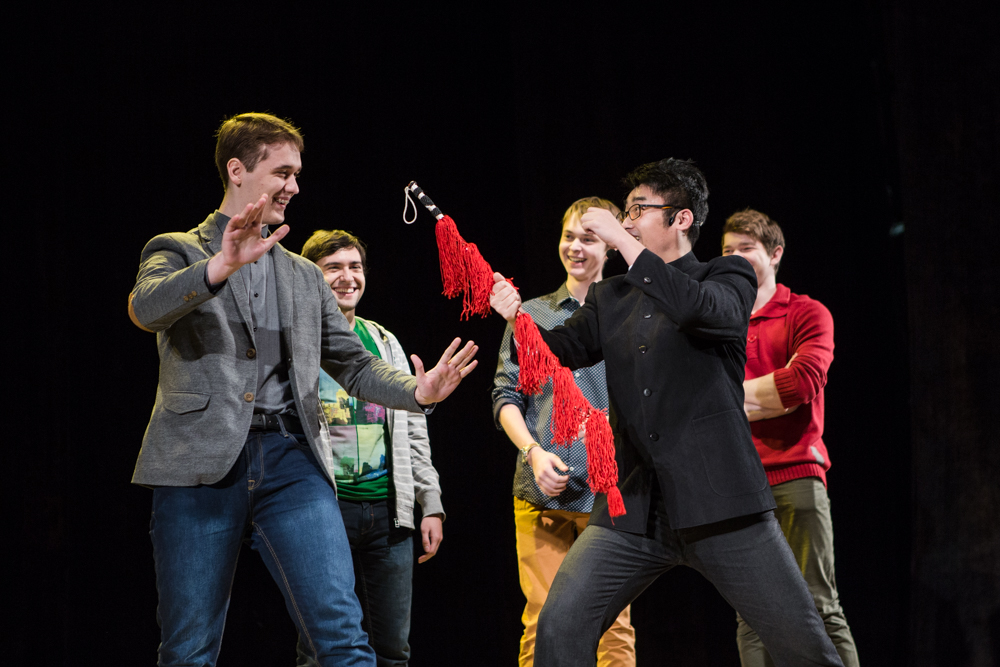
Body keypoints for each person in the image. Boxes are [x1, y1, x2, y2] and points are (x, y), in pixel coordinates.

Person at [127, 112, 477, 667]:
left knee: (342, 636)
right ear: (237, 170)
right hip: (197, 463)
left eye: (297, 174)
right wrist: (220, 266)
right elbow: (145, 309)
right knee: (189, 648)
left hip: (290, 458)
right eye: (282, 173)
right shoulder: (178, 249)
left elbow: (354, 365)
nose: (294, 186)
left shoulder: (303, 275)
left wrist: (419, 391)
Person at [489, 158, 844, 667]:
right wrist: (517, 319)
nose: (627, 221)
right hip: (635, 507)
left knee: (803, 646)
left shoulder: (727, 274)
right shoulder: (612, 295)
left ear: (681, 219)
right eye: (625, 212)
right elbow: (559, 351)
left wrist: (621, 239)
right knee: (560, 624)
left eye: (639, 210)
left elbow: (703, 310)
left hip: (723, 503)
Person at [492, 198, 636, 667]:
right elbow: (505, 395)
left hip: (608, 495)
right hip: (542, 492)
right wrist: (533, 452)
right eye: (568, 236)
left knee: (614, 627)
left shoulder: (630, 310)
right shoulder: (531, 314)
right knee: (543, 619)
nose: (575, 247)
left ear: (610, 245)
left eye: (588, 238)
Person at [294, 229, 446, 666]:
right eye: (333, 268)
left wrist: (430, 502)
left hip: (388, 513)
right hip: (324, 509)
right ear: (311, 277)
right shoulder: (297, 342)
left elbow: (413, 427)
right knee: (320, 647)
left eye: (355, 266)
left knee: (393, 649)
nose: (347, 277)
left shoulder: (383, 341)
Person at [722, 209, 859, 667]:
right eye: (727, 250)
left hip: (796, 475)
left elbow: (800, 384)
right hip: (739, 483)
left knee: (819, 605)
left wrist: (725, 400)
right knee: (751, 616)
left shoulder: (805, 311)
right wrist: (762, 398)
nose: (735, 258)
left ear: (775, 254)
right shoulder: (719, 323)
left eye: (746, 248)